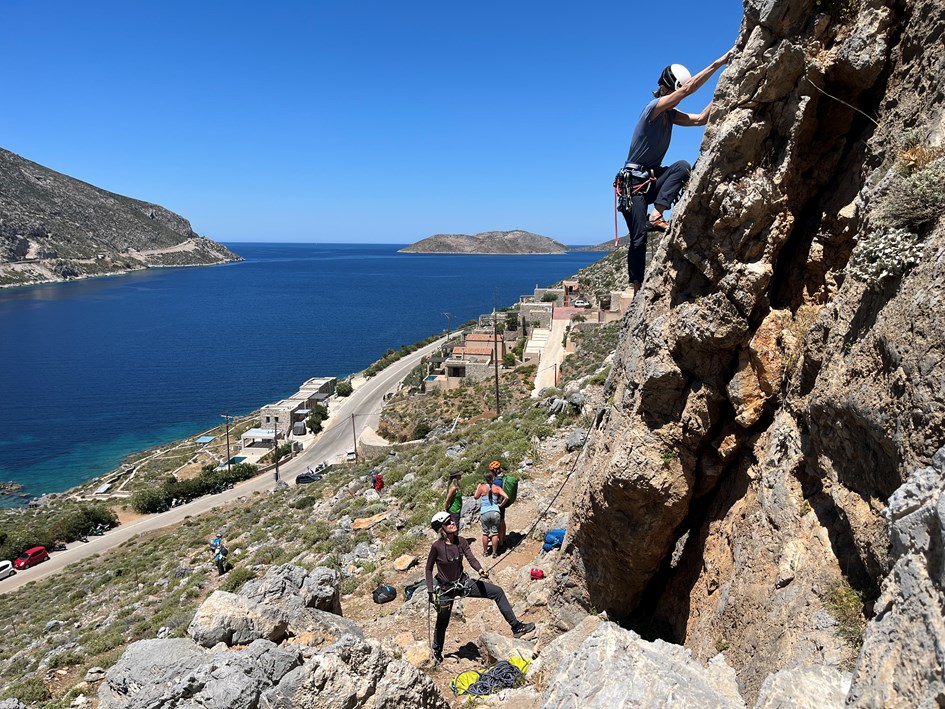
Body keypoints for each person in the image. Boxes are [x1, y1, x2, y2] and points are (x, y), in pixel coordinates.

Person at [616, 51, 733, 293]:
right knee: (638, 237)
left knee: (681, 167)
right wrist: (719, 63)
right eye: (673, 92)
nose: (676, 98)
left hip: (651, 179)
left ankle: (657, 214)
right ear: (663, 88)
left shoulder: (670, 115)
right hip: (633, 185)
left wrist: (725, 87)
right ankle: (636, 287)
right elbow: (688, 89)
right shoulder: (653, 109)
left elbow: (700, 119)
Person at [425, 511, 535, 663]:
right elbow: (428, 569)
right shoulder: (436, 547)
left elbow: (471, 558)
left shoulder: (461, 541)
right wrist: (431, 591)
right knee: (442, 621)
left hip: (463, 584)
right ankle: (437, 652)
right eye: (448, 522)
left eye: (452, 520)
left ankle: (516, 627)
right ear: (441, 528)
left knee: (497, 592)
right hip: (445, 589)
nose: (452, 523)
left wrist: (480, 570)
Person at [475, 470, 509, 557]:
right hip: (495, 512)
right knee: (495, 533)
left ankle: (485, 552)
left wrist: (478, 488)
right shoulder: (496, 487)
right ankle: (494, 553)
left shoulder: (482, 487)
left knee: (485, 533)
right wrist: (501, 504)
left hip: (484, 512)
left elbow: (476, 497)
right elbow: (506, 497)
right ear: (493, 477)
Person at [489, 460, 508, 550]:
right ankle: (504, 538)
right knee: (502, 520)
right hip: (503, 503)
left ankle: (500, 543)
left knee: (499, 523)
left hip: (499, 503)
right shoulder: (504, 477)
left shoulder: (497, 481)